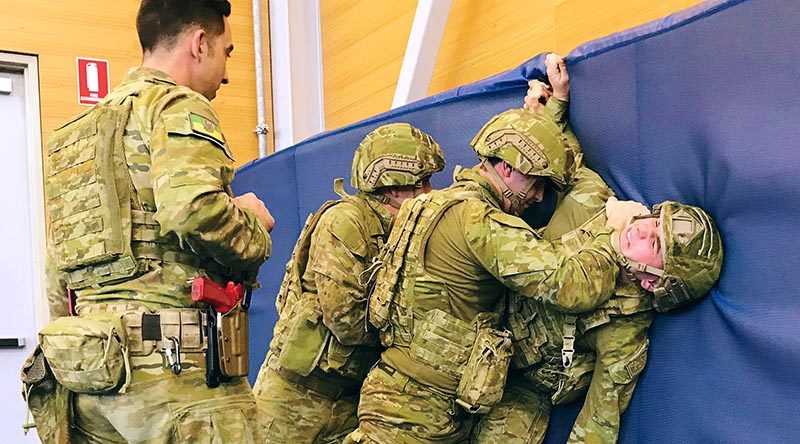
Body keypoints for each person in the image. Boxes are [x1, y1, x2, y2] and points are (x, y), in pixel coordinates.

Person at [21, 1, 274, 442]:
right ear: (199, 44)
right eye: (227, 51)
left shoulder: (77, 130)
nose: (228, 72)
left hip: (91, 377)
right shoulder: (175, 106)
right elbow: (192, 209)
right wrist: (252, 224)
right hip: (177, 383)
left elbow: (58, 262)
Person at [343, 64, 626, 442]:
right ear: (507, 169)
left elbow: (545, 158)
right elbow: (569, 285)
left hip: (405, 401)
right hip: (415, 415)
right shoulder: (480, 222)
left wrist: (553, 113)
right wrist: (619, 232)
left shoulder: (434, 203)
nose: (540, 196)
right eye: (537, 183)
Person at [471, 97, 725, 444]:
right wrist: (554, 105)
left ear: (653, 282)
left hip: (523, 386)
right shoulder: (594, 201)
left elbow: (599, 421)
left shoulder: (626, 331)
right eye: (655, 222)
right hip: (484, 306)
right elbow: (558, 158)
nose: (644, 230)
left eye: (655, 245)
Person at [252, 123, 446, 443]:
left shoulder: (400, 231)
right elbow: (346, 321)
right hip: (293, 397)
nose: (430, 193)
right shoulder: (346, 221)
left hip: (347, 401)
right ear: (394, 188)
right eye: (423, 183)